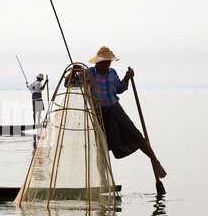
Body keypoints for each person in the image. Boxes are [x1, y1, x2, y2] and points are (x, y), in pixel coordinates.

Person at [65, 46, 167, 178]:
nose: (107, 64)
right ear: (97, 62)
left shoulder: (112, 72)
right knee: (100, 145)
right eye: (105, 62)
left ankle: (155, 161)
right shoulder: (87, 73)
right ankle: (103, 178)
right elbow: (68, 84)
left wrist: (127, 78)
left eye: (109, 62)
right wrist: (73, 71)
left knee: (135, 134)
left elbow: (120, 88)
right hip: (97, 112)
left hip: (114, 108)